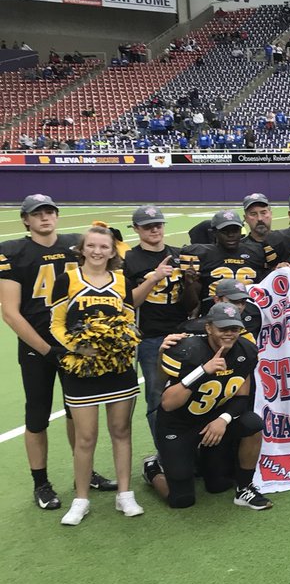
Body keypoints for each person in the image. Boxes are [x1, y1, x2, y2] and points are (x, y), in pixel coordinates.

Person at [0, 194, 115, 511]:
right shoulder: (14, 252)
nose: (44, 217)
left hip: (76, 344)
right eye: (37, 213)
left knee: (78, 412)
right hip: (38, 347)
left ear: (57, 215)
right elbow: (10, 312)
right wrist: (48, 350)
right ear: (26, 219)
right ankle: (41, 483)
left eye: (50, 211)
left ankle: (86, 472)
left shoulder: (75, 245)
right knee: (37, 415)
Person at [49, 226, 142, 525]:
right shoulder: (67, 280)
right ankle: (81, 499)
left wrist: (119, 343)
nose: (98, 251)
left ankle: (125, 495)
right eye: (92, 246)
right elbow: (56, 324)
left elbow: (128, 320)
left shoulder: (122, 282)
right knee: (85, 437)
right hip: (82, 368)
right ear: (82, 248)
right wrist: (79, 347)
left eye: (104, 247)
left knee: (121, 431)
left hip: (118, 368)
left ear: (113, 251)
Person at [147, 303, 271, 511]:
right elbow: (168, 404)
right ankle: (152, 469)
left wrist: (223, 419)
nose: (229, 334)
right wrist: (203, 371)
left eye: (234, 328)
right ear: (209, 328)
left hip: (213, 421)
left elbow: (242, 397)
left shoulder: (246, 350)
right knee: (181, 500)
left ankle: (244, 488)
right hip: (179, 425)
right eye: (223, 328)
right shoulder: (187, 350)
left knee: (251, 425)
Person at [124, 205, 195, 478]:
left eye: (158, 224)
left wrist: (190, 283)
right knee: (157, 400)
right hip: (151, 338)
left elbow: (189, 303)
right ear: (137, 230)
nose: (154, 229)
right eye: (147, 226)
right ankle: (165, 454)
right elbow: (128, 303)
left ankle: (188, 450)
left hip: (182, 333)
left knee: (188, 394)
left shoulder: (179, 254)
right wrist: (153, 277)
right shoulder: (130, 259)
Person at [180, 208, 273, 309]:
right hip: (215, 315)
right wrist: (189, 284)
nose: (231, 235)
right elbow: (190, 305)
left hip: (250, 313)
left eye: (235, 230)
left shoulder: (258, 251)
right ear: (214, 232)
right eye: (225, 231)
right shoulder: (200, 254)